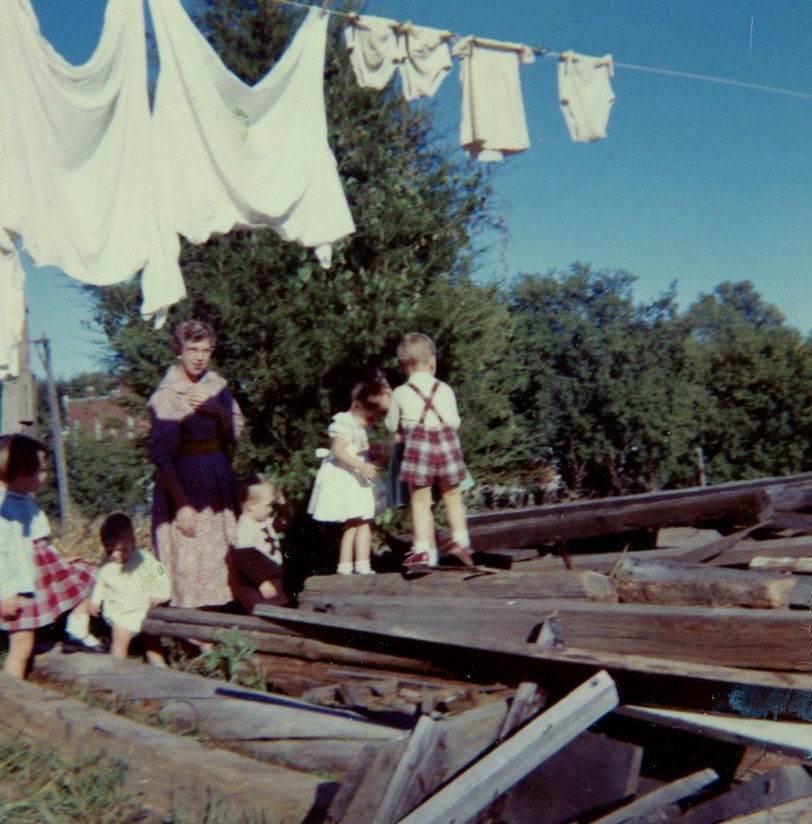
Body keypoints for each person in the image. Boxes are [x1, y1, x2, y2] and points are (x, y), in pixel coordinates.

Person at [148, 320, 244, 608]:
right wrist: (183, 505)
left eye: (206, 350)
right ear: (179, 350)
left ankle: (225, 623)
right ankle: (188, 633)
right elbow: (162, 458)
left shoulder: (216, 385)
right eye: (192, 350)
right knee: (189, 553)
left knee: (221, 552)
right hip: (185, 482)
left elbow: (235, 429)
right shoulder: (166, 395)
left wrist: (217, 410)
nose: (199, 357)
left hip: (217, 477)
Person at [0, 434, 101, 678]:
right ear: (21, 471)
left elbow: (37, 542)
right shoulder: (5, 508)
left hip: (39, 570)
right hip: (18, 584)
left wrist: (59, 561)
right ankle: (10, 698)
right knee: (22, 646)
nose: (44, 477)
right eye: (40, 471)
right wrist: (5, 592)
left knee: (90, 573)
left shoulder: (22, 499)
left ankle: (77, 627)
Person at [385, 333, 474, 572]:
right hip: (445, 441)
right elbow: (454, 422)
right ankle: (462, 542)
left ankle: (424, 551)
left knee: (421, 499)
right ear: (432, 361)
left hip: (417, 443)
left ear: (403, 367)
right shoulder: (445, 388)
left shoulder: (400, 393)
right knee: (453, 494)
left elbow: (392, 426)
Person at [307, 378, 389, 575]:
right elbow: (338, 450)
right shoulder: (345, 423)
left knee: (361, 521)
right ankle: (349, 567)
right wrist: (360, 465)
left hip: (356, 478)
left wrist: (374, 454)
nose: (370, 424)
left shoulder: (358, 427)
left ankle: (358, 566)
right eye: (369, 418)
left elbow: (357, 448)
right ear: (357, 405)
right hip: (347, 477)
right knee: (356, 522)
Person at [89, 512, 171, 665]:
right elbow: (101, 582)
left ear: (132, 541)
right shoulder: (106, 563)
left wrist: (161, 593)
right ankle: (117, 669)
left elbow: (161, 572)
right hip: (121, 612)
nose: (115, 555)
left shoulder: (144, 558)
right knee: (120, 641)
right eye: (109, 550)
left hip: (144, 608)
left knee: (151, 642)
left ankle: (159, 667)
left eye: (122, 550)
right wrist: (95, 600)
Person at [228, 474, 291, 613]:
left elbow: (284, 523)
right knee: (264, 614)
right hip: (255, 584)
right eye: (268, 506)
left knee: (277, 612)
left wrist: (282, 504)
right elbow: (244, 560)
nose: (270, 510)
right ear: (251, 505)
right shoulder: (244, 530)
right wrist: (261, 582)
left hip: (272, 578)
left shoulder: (263, 522)